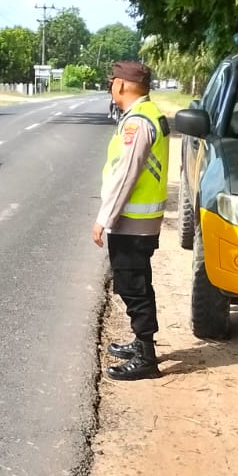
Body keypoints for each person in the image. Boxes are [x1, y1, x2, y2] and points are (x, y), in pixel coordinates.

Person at [92, 60, 170, 381]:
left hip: (131, 221)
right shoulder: (149, 114)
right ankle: (141, 344)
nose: (111, 87)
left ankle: (146, 355)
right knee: (136, 282)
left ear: (121, 85)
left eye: (112, 82)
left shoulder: (138, 123)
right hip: (142, 220)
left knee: (133, 286)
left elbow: (125, 176)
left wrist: (103, 219)